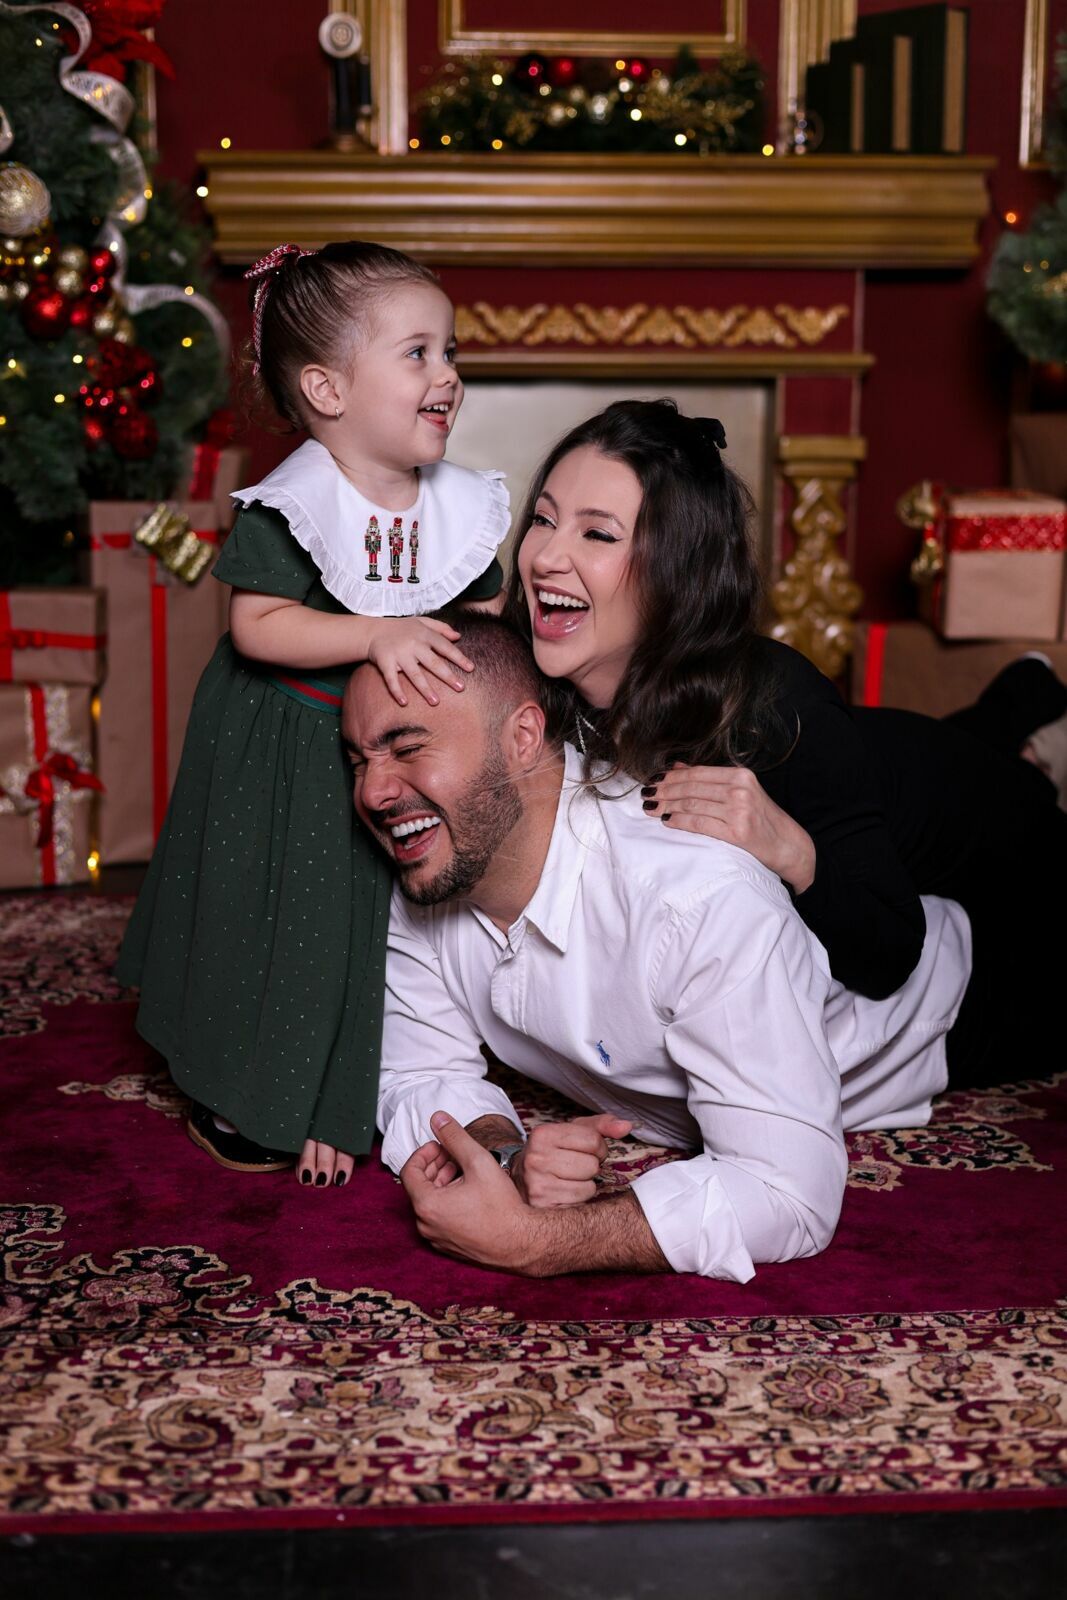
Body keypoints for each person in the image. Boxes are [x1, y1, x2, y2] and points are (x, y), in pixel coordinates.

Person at [342, 613, 970, 1281]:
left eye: (408, 748)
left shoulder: (696, 897)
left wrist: (538, 1240)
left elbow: (788, 1195)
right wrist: (504, 1156)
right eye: (358, 761)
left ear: (523, 737)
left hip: (956, 994)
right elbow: (419, 1074)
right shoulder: (432, 869)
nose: (372, 793)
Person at [504, 399, 1067, 1084]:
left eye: (597, 534)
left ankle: (1028, 736)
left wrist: (792, 850)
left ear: (675, 569)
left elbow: (891, 957)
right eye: (543, 520)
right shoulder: (534, 666)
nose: (546, 557)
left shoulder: (772, 714)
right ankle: (1015, 704)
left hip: (1011, 862)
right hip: (886, 761)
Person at [117, 241, 509, 1185]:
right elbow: (257, 625)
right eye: (416, 354)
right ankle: (267, 1095)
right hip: (293, 742)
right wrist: (375, 634)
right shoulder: (293, 501)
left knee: (399, 927)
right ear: (328, 391)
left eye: (450, 352)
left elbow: (485, 614)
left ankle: (368, 1077)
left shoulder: (456, 504)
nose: (446, 376)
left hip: (400, 740)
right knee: (299, 922)